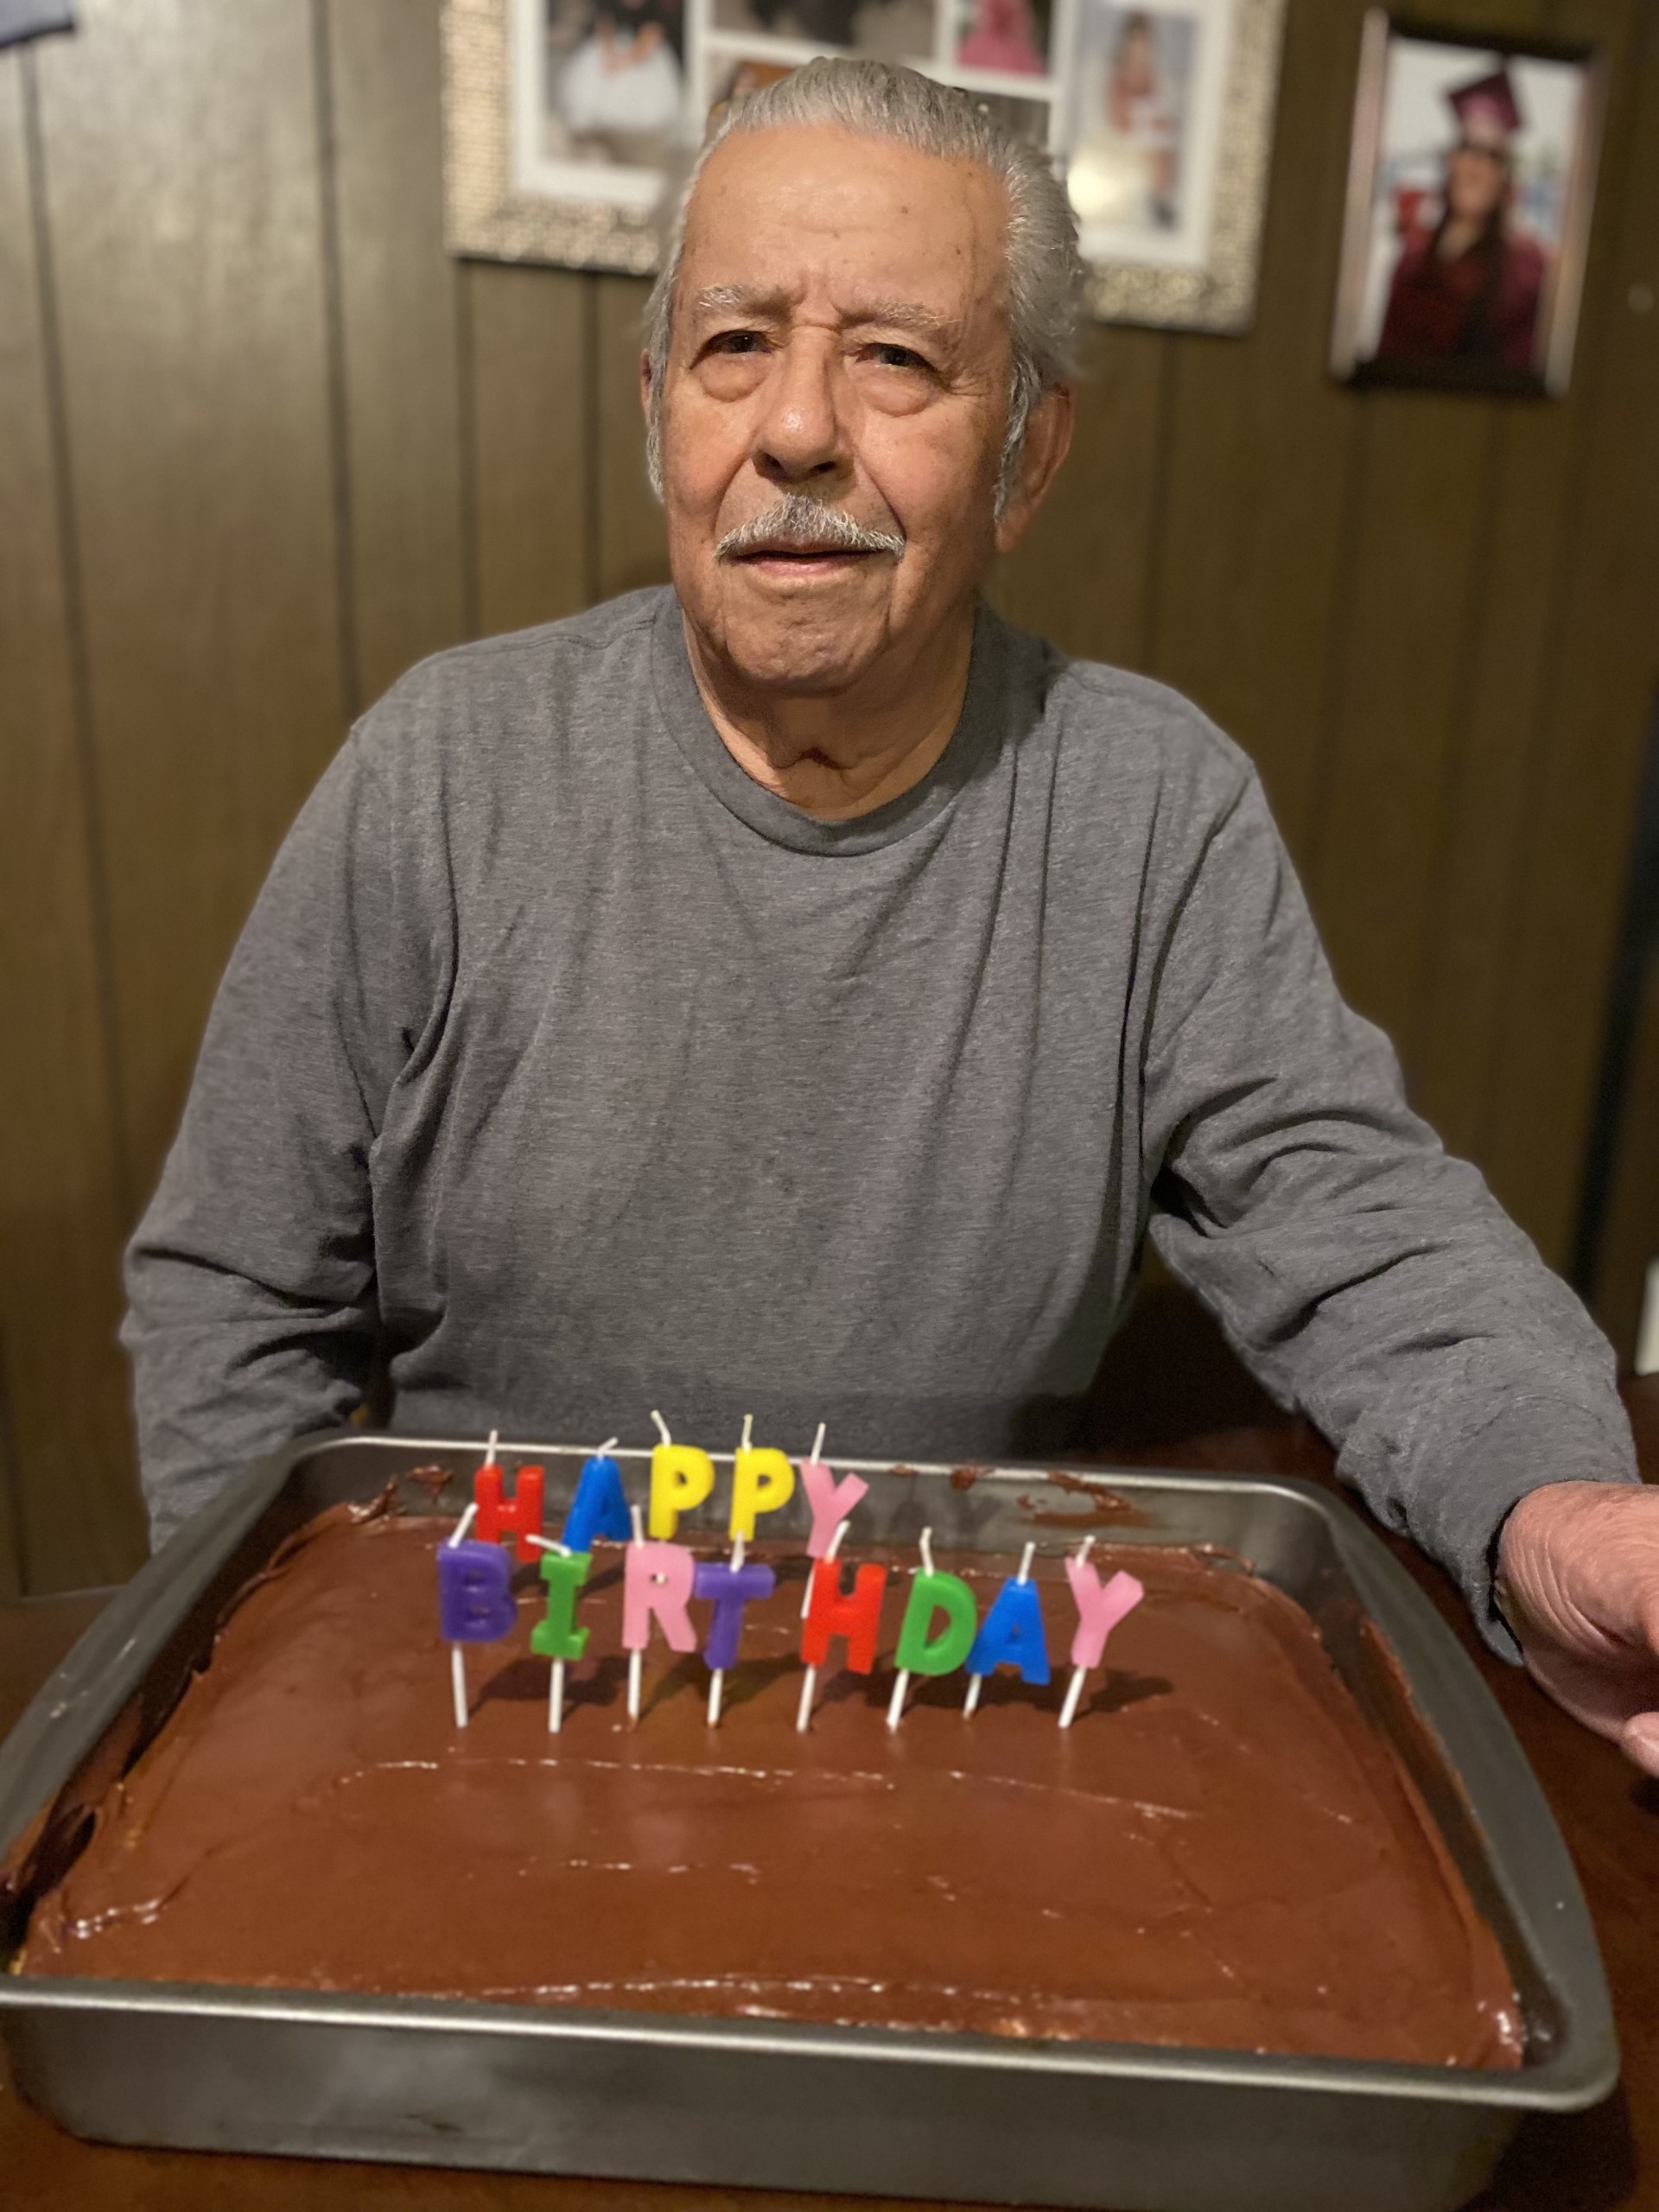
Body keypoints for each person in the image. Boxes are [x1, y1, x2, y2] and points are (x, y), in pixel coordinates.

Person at [124, 60, 1659, 1777]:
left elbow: (1364, 1235)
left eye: (896, 358)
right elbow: (233, 1291)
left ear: (1026, 452)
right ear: (659, 411)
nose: (795, 429)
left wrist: (1553, 1508)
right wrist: (287, 1697)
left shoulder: (1153, 810)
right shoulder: (440, 771)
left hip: (936, 1728)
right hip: (485, 1713)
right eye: (735, 344)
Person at [1375, 66, 1545, 373]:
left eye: (1492, 156)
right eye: (1468, 149)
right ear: (1451, 161)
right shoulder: (1413, 257)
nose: (1476, 168)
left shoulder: (1526, 269)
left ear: (1504, 177)